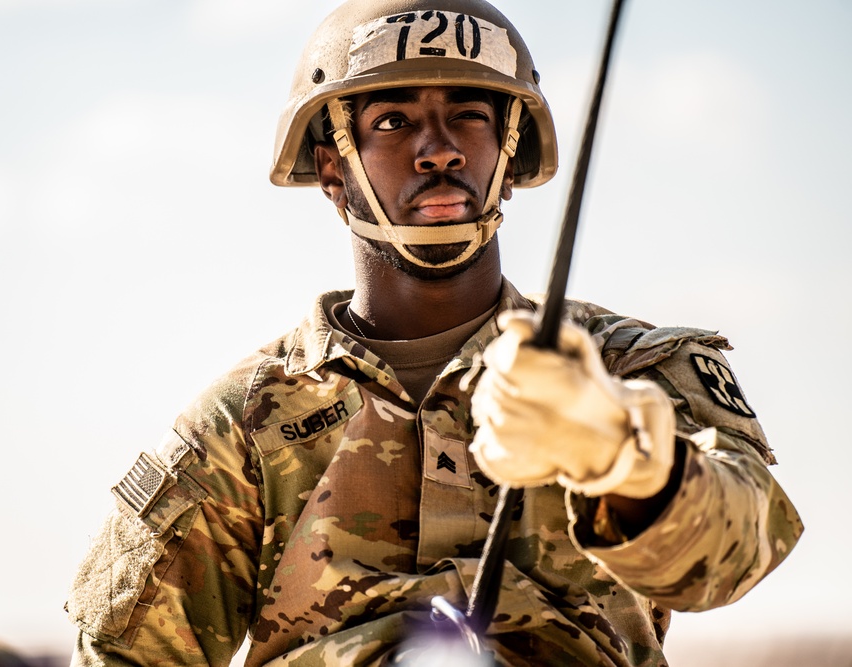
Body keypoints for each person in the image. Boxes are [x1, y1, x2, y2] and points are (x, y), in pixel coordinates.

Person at [65, 1, 803, 665]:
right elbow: (120, 652)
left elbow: (739, 549)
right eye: (393, 121)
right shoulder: (242, 426)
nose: (440, 149)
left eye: (470, 116)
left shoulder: (621, 370)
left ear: (508, 155)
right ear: (332, 166)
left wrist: (623, 457)